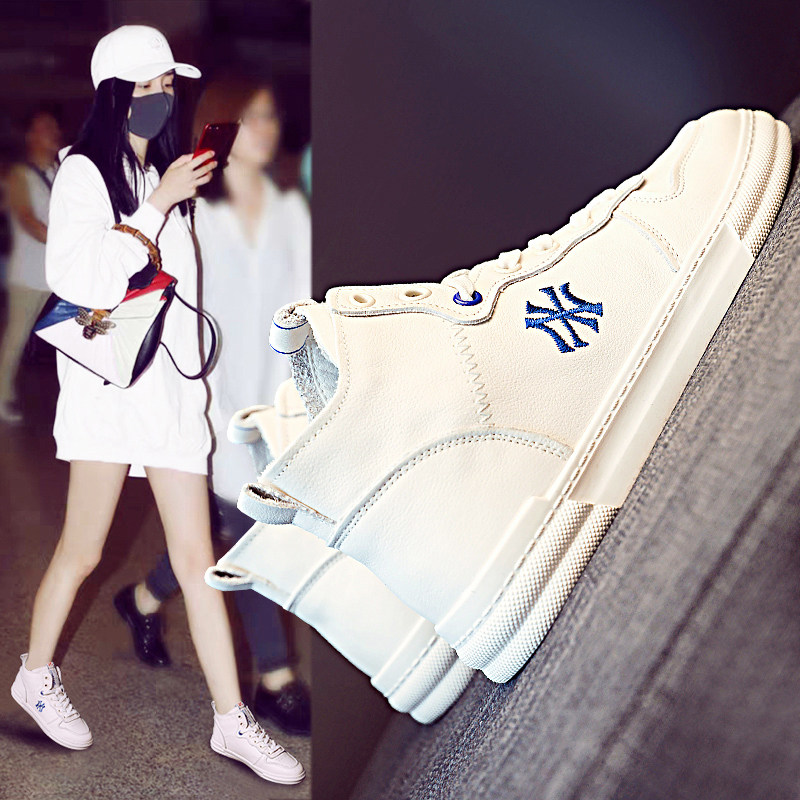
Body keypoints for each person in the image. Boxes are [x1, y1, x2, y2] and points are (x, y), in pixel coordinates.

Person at [9, 26, 304, 786]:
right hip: (111, 391)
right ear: (114, 96)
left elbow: (190, 298)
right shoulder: (83, 174)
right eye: (147, 88)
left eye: (168, 86)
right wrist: (155, 207)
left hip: (172, 396)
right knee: (82, 550)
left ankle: (232, 721)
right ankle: (35, 676)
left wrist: (210, 386)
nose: (161, 99)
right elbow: (80, 278)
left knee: (199, 559)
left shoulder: (164, 176)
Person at [113, 75, 312, 737]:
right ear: (222, 125)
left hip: (275, 400)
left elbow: (301, 306)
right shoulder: (196, 213)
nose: (266, 129)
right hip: (211, 402)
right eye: (251, 117)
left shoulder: (289, 210)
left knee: (223, 532)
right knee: (245, 532)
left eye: (271, 117)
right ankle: (275, 679)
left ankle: (143, 598)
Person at [0, 109, 61, 424]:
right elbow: (26, 218)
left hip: (60, 273)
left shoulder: (62, 171)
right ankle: (1, 396)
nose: (53, 132)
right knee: (17, 338)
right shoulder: (19, 175)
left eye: (53, 127)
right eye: (44, 127)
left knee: (77, 335)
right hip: (28, 273)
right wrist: (68, 243)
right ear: (30, 136)